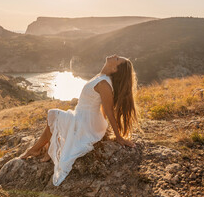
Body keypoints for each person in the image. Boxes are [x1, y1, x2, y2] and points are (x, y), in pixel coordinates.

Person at [20, 54, 138, 186]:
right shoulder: (101, 78)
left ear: (115, 69)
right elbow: (103, 108)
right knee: (56, 119)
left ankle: (35, 149)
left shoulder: (104, 83)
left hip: (86, 122)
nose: (115, 55)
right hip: (83, 116)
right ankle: (43, 149)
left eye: (117, 59)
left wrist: (118, 137)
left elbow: (109, 111)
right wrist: (103, 124)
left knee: (55, 115)